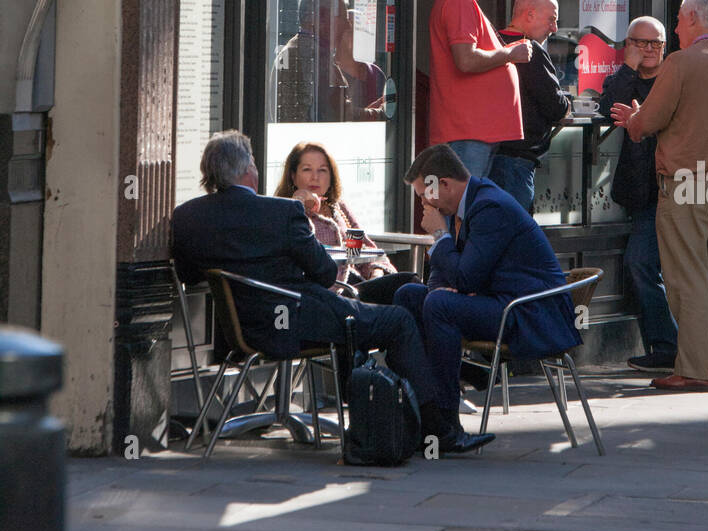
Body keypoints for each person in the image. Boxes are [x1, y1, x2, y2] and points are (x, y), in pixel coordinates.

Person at [172, 130, 493, 455]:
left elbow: (186, 273)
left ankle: (420, 412)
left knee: (397, 293)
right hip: (299, 322)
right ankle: (436, 430)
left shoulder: (187, 218)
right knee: (398, 320)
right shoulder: (282, 212)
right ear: (246, 171)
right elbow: (325, 272)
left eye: (322, 169)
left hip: (237, 333)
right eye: (253, 162)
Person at [611, 0, 708, 394]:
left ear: (693, 19)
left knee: (686, 275)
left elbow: (647, 123)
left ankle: (694, 370)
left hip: (688, 181)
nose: (673, 28)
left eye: (677, 20)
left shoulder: (681, 62)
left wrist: (636, 119)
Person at [394, 143, 581, 423]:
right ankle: (423, 402)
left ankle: (444, 420)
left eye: (424, 195)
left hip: (528, 313)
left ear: (443, 184)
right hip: (496, 301)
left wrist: (441, 238)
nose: (424, 205)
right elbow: (443, 277)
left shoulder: (489, 206)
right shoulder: (454, 209)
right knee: (410, 295)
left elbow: (465, 277)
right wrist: (443, 282)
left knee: (439, 305)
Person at [597, 17, 677, 373]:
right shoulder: (621, 79)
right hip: (636, 191)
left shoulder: (674, 80)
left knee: (640, 263)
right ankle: (662, 348)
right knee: (643, 266)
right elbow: (608, 108)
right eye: (640, 43)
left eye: (655, 43)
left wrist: (642, 119)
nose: (648, 49)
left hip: (667, 188)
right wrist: (628, 67)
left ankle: (667, 347)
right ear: (627, 44)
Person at [428, 0, 529, 178]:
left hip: (471, 130)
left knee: (467, 204)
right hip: (466, 130)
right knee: (462, 205)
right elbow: (466, 59)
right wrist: (511, 54)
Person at [274, 140, 418, 304]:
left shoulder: (339, 209)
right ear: (293, 175)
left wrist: (376, 270)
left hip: (354, 288)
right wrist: (298, 203)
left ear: (331, 177)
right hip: (321, 295)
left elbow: (361, 249)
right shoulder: (284, 209)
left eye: (322, 170)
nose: (315, 177)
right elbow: (296, 252)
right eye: (307, 170)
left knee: (410, 288)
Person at [488, 0, 571, 213]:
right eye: (552, 19)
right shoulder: (529, 49)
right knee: (515, 236)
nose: (554, 28)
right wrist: (568, 104)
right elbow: (556, 106)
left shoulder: (490, 44)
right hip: (516, 161)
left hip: (488, 156)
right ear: (530, 14)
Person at [272, 0, 352, 123]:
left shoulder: (303, 51)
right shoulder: (306, 55)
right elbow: (329, 113)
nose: (347, 26)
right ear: (318, 18)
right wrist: (376, 113)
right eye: (343, 19)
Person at [335, 10, 386, 118]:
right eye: (355, 30)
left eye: (367, 32)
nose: (362, 37)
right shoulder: (329, 74)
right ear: (339, 36)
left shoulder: (375, 73)